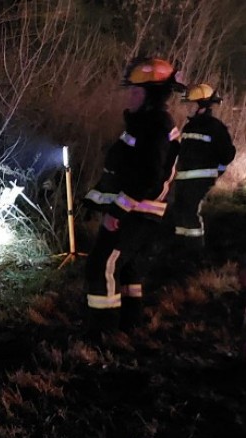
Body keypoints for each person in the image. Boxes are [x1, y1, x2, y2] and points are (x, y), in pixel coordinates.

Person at [84, 57, 183, 336]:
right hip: (137, 210)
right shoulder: (146, 123)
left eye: (137, 91)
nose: (131, 95)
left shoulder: (154, 125)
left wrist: (118, 211)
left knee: (102, 265)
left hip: (135, 211)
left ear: (151, 95)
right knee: (126, 270)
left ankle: (102, 334)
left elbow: (147, 176)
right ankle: (129, 326)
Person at [170, 83, 236, 265]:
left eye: (191, 103)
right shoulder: (189, 128)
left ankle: (195, 257)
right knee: (181, 215)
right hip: (184, 182)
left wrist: (215, 174)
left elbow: (227, 154)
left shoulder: (215, 128)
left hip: (199, 183)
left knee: (192, 216)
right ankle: (180, 253)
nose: (188, 107)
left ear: (202, 105)